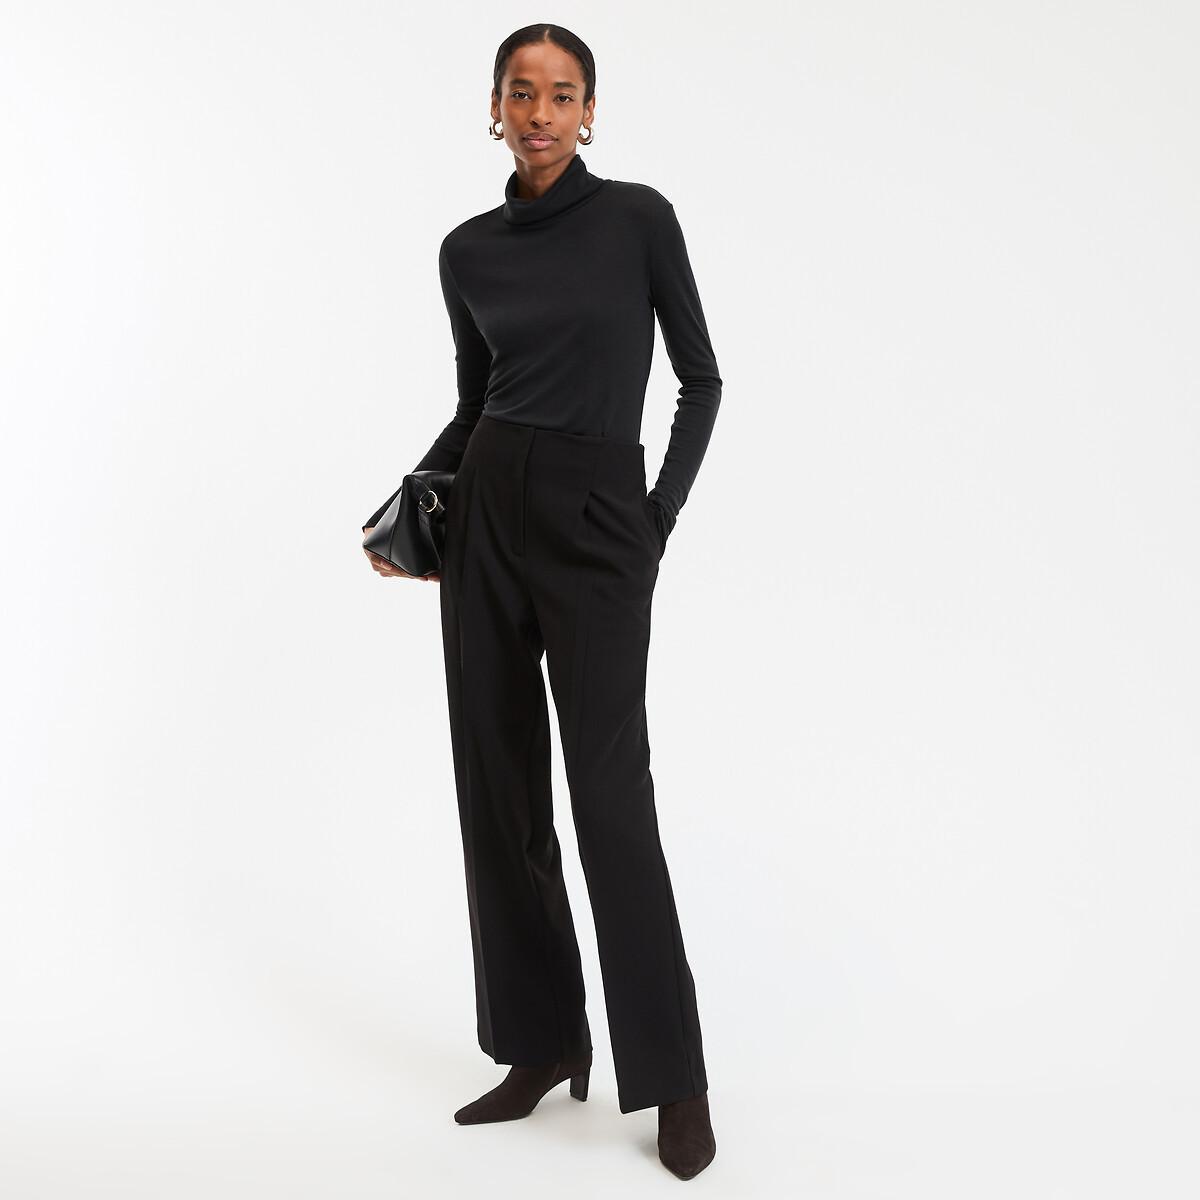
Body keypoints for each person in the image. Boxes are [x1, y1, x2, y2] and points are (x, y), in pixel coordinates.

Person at [362, 24, 722, 1182]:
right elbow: (479, 405)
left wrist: (654, 520)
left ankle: (674, 1079)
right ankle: (540, 1042)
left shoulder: (639, 221)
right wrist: (411, 510)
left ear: (590, 111)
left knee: (612, 799)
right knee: (499, 788)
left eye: (562, 95)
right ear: (495, 106)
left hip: (601, 524)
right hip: (489, 522)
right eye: (522, 93)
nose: (540, 113)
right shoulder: (466, 250)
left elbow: (701, 378)